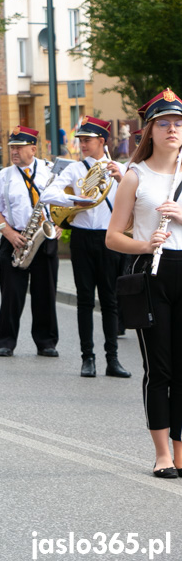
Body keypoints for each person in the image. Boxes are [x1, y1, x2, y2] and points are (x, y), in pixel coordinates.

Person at [106, 88, 182, 479]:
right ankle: (162, 454)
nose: (172, 129)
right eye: (164, 123)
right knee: (160, 369)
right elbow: (112, 236)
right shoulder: (136, 175)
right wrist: (144, 241)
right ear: (149, 131)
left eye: (178, 123)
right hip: (153, 272)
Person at [41, 116, 130, 378]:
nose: (82, 144)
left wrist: (121, 179)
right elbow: (47, 195)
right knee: (83, 300)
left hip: (109, 239)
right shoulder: (75, 170)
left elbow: (136, 199)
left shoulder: (121, 169)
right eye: (80, 140)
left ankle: (112, 359)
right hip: (81, 237)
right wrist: (74, 200)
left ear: (102, 141)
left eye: (87, 140)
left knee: (110, 301)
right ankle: (87, 358)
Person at [0, 126, 59, 357]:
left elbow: (64, 206)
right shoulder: (4, 176)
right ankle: (6, 342)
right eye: (11, 148)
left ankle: (46, 342)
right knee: (11, 294)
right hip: (15, 238)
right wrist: (9, 234)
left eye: (19, 147)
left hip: (43, 239)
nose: (14, 152)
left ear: (33, 148)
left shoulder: (50, 173)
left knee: (45, 293)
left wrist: (58, 226)